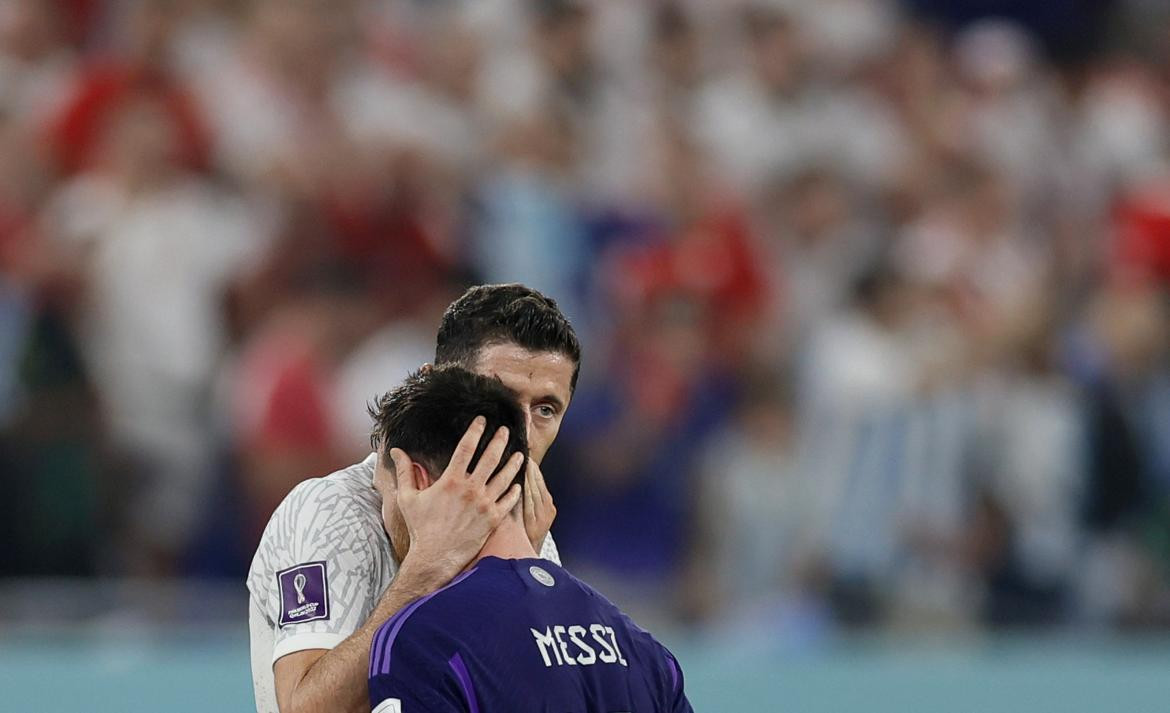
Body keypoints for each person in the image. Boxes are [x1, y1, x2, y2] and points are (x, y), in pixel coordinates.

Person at [247, 284, 581, 713]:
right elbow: (305, 709)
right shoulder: (329, 511)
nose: (520, 432)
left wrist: (519, 574)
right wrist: (427, 570)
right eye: (499, 396)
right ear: (435, 387)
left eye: (546, 410)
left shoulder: (532, 537)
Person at [368, 366, 693, 712]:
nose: (382, 515)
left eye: (382, 494)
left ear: (416, 481)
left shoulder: (423, 640)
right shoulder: (647, 655)